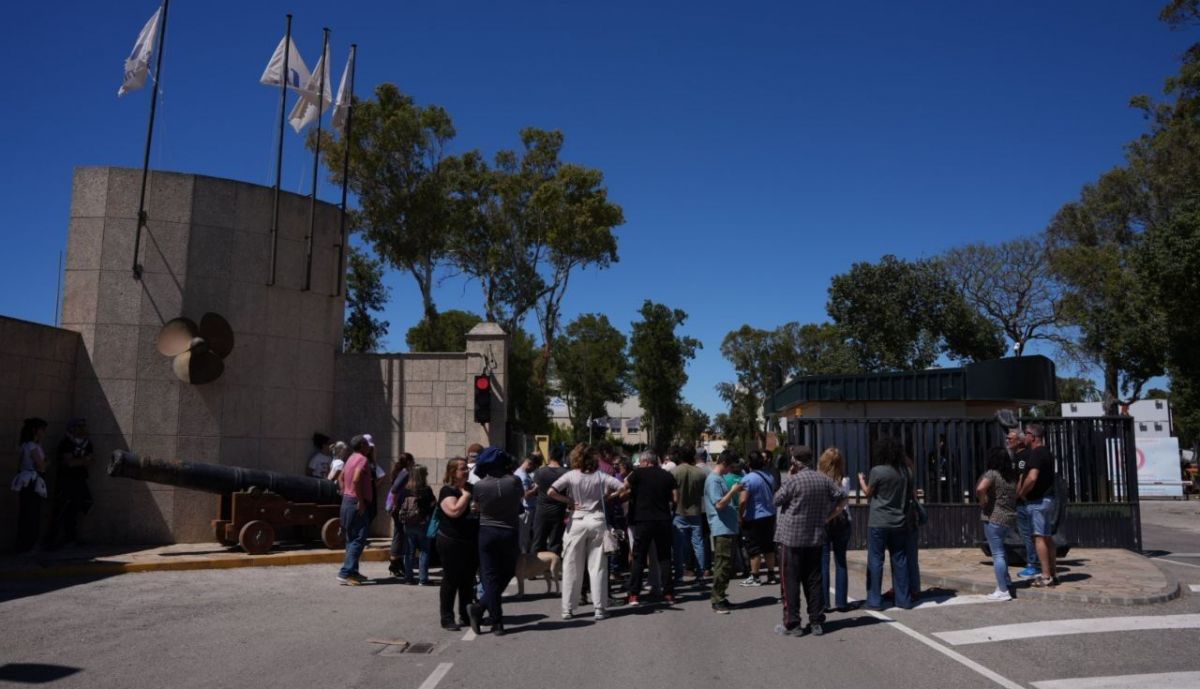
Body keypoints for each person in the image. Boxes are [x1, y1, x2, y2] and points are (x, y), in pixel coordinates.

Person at [772, 446, 848, 637]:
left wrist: (789, 478)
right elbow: (843, 498)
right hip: (815, 537)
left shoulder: (794, 481)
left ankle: (793, 623)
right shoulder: (824, 479)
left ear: (795, 462)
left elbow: (776, 500)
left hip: (791, 538)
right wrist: (829, 516)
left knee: (790, 582)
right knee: (814, 581)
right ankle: (816, 621)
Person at [550, 444, 625, 620]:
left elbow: (551, 491)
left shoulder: (570, 475)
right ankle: (599, 608)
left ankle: (567, 609)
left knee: (571, 566)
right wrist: (607, 498)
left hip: (576, 521)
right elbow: (622, 487)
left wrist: (568, 500)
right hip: (597, 520)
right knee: (598, 567)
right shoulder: (601, 476)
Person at [467, 447, 523, 636]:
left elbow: (476, 506)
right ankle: (490, 616)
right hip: (509, 531)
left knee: (490, 576)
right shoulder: (514, 481)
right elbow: (519, 504)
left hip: (487, 532)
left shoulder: (480, 486)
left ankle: (490, 616)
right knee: (507, 572)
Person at [857, 436, 913, 610]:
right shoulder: (906, 472)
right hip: (899, 520)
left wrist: (861, 481)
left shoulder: (877, 471)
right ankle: (904, 599)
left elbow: (868, 493)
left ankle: (874, 600)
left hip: (879, 520)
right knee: (900, 559)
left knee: (875, 560)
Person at [624, 449, 677, 606]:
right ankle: (668, 593)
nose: (640, 464)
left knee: (639, 557)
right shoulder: (667, 475)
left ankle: (634, 594)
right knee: (665, 557)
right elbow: (675, 498)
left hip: (643, 520)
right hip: (663, 520)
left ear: (646, 461)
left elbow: (625, 486)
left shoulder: (638, 474)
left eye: (641, 462)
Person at [720, 450, 777, 587]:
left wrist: (740, 515)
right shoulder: (770, 476)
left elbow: (743, 500)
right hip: (770, 515)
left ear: (749, 463)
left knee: (754, 548)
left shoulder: (748, 479)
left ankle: (755, 576)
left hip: (754, 517)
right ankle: (771, 574)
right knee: (769, 546)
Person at [436, 458, 478, 631]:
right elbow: (453, 511)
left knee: (467, 580)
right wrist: (466, 497)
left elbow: (478, 508)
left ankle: (466, 615)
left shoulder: (471, 488)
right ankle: (447, 618)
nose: (466, 472)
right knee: (451, 580)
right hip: (450, 541)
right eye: (462, 469)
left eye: (467, 469)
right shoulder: (448, 490)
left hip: (469, 541)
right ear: (453, 472)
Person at [1018, 423, 1059, 587]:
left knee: (1039, 538)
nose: (1024, 437)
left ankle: (1046, 575)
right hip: (1048, 499)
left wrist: (1021, 492)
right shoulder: (1048, 453)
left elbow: (1032, 477)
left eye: (1026, 434)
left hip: (1038, 501)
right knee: (1047, 538)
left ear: (1033, 437)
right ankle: (1053, 573)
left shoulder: (1035, 453)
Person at [977, 447, 1019, 601]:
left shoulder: (992, 474)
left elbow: (981, 488)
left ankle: (1003, 590)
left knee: (997, 554)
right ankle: (1005, 581)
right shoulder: (1012, 476)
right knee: (1002, 551)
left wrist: (983, 501)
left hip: (994, 517)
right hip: (1009, 518)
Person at [46, 417, 94, 548]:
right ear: (73, 428)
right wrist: (82, 460)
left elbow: (90, 460)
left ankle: (71, 538)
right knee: (62, 509)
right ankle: (52, 539)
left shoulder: (87, 443)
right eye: (79, 426)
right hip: (66, 481)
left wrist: (78, 461)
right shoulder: (66, 443)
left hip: (80, 480)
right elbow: (69, 462)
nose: (83, 428)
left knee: (80, 506)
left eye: (83, 426)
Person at [337, 434, 376, 585]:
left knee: (351, 539)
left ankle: (353, 572)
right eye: (367, 444)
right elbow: (356, 479)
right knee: (359, 539)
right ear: (361, 446)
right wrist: (359, 500)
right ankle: (345, 573)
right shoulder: (362, 459)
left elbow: (341, 478)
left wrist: (345, 492)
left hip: (347, 501)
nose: (369, 447)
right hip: (356, 502)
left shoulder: (350, 458)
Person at [818, 447, 852, 612]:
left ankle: (824, 602)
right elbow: (842, 505)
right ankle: (841, 602)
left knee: (823, 561)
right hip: (841, 521)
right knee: (840, 561)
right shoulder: (844, 480)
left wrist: (825, 518)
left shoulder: (819, 480)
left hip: (823, 522)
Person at [704, 453, 739, 614]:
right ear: (724, 463)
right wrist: (733, 491)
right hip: (721, 527)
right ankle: (717, 600)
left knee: (726, 565)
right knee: (722, 564)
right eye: (730, 466)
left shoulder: (719, 478)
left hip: (728, 527)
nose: (731, 470)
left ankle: (721, 596)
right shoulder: (714, 480)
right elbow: (719, 504)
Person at [671, 446, 708, 587]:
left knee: (678, 546)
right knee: (698, 544)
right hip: (695, 511)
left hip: (679, 511)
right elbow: (703, 493)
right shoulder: (700, 473)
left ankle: (679, 575)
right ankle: (701, 575)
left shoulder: (674, 472)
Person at [11, 417, 49, 553]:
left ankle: (23, 544)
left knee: (26, 513)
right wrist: (45, 463)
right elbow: (41, 465)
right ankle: (29, 545)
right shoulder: (32, 446)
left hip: (25, 481)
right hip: (32, 481)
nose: (44, 432)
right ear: (35, 430)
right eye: (42, 430)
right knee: (32, 514)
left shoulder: (25, 445)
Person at [1008, 428, 1040, 578]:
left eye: (1011, 439)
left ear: (1020, 441)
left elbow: (1022, 478)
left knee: (1027, 533)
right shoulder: (1016, 456)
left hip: (1024, 501)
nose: (1008, 441)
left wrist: (1018, 496)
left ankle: (1033, 564)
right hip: (1022, 500)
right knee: (1027, 533)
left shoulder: (1022, 457)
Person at [398, 465, 436, 585]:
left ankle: (408, 578)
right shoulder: (426, 490)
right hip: (423, 524)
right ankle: (423, 579)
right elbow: (433, 505)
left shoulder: (405, 490)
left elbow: (399, 504)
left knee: (409, 551)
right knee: (424, 551)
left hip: (408, 524)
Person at [532, 446, 569, 554]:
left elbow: (536, 489)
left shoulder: (540, 472)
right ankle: (552, 567)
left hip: (541, 510)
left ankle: (535, 566)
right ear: (562, 457)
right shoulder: (565, 473)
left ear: (549, 456)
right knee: (555, 542)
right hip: (558, 511)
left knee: (538, 541)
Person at [386, 453, 415, 578]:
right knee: (399, 534)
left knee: (399, 534)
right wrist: (396, 504)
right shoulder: (405, 473)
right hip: (398, 508)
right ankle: (394, 563)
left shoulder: (400, 471)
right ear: (409, 462)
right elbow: (394, 489)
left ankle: (396, 562)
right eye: (412, 461)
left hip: (397, 507)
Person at [514, 452, 542, 554]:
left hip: (523, 509)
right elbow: (525, 495)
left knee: (524, 536)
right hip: (526, 510)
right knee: (524, 537)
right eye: (534, 467)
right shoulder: (523, 476)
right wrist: (536, 488)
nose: (534, 470)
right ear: (530, 464)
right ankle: (524, 559)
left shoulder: (519, 472)